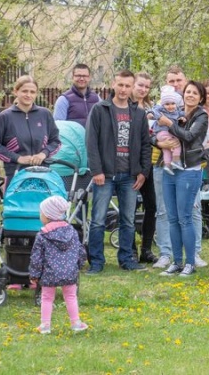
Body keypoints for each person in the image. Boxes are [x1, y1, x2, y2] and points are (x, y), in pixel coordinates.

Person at [86, 70, 152, 273]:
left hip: (130, 175)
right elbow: (91, 142)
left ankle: (126, 259)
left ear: (132, 87)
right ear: (113, 84)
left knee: (128, 220)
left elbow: (146, 145)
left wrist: (143, 172)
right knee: (98, 219)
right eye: (120, 85)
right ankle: (96, 262)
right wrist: (96, 170)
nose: (123, 89)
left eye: (127, 86)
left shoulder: (138, 113)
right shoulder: (100, 109)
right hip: (104, 175)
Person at [158, 80, 209, 277]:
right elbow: (154, 132)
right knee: (172, 218)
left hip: (189, 169)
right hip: (170, 169)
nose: (190, 95)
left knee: (185, 218)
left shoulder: (201, 116)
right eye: (188, 92)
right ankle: (177, 262)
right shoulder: (174, 110)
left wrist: (169, 124)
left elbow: (189, 136)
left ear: (201, 97)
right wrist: (159, 143)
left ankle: (190, 262)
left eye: (195, 93)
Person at [29, 196, 88, 334]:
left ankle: (45, 325)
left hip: (49, 273)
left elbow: (36, 258)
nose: (40, 215)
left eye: (41, 212)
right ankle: (76, 323)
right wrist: (78, 265)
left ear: (48, 215)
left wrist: (34, 274)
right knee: (71, 297)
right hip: (70, 273)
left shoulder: (42, 235)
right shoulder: (72, 231)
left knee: (47, 298)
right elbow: (80, 251)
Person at [0, 76, 60, 179]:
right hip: (15, 174)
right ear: (16, 91)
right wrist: (18, 158)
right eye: (24, 91)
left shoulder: (45, 114)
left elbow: (56, 141)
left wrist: (43, 154)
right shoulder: (5, 116)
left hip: (42, 172)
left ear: (36, 94)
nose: (28, 95)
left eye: (32, 92)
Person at [131, 71, 159, 264]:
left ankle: (146, 249)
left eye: (147, 87)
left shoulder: (151, 108)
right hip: (129, 164)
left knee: (152, 205)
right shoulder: (125, 107)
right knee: (129, 207)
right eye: (140, 85)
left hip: (148, 162)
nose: (143, 89)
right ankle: (130, 249)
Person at [150, 86, 185, 174]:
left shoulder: (176, 110)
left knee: (166, 149)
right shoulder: (161, 110)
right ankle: (176, 160)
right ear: (163, 105)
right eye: (167, 104)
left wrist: (182, 117)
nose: (170, 106)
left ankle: (167, 165)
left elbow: (182, 113)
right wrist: (158, 117)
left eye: (173, 103)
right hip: (163, 132)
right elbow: (153, 111)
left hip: (165, 134)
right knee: (176, 143)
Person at [53, 63, 100, 127]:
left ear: (89, 78)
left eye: (85, 76)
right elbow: (58, 127)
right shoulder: (64, 100)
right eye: (78, 75)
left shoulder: (97, 99)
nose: (82, 79)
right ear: (72, 77)